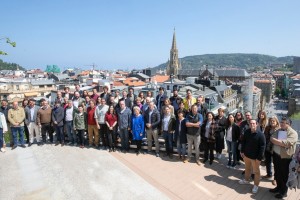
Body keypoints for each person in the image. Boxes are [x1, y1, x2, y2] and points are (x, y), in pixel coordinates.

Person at [269, 117, 298, 199]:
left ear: (288, 124)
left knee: (284, 175)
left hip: (285, 157)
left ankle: (283, 192)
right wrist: (278, 142)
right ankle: (278, 188)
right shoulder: (279, 130)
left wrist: (276, 141)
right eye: (281, 122)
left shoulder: (293, 133)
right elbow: (271, 137)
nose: (281, 124)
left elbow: (287, 143)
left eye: (283, 122)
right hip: (276, 155)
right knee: (277, 173)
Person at [239, 119, 266, 194]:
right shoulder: (247, 132)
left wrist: (259, 158)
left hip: (255, 158)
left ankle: (256, 185)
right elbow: (243, 142)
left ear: (256, 124)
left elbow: (262, 147)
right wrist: (242, 151)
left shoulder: (261, 135)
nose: (252, 125)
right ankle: (246, 180)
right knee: (247, 168)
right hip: (246, 156)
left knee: (256, 172)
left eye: (254, 123)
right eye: (251, 123)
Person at [263, 116, 280, 180]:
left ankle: (275, 178)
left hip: (275, 149)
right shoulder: (267, 128)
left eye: (273, 121)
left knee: (276, 164)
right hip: (267, 148)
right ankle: (269, 174)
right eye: (271, 121)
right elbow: (264, 136)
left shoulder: (279, 129)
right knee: (268, 162)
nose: (272, 122)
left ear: (276, 122)